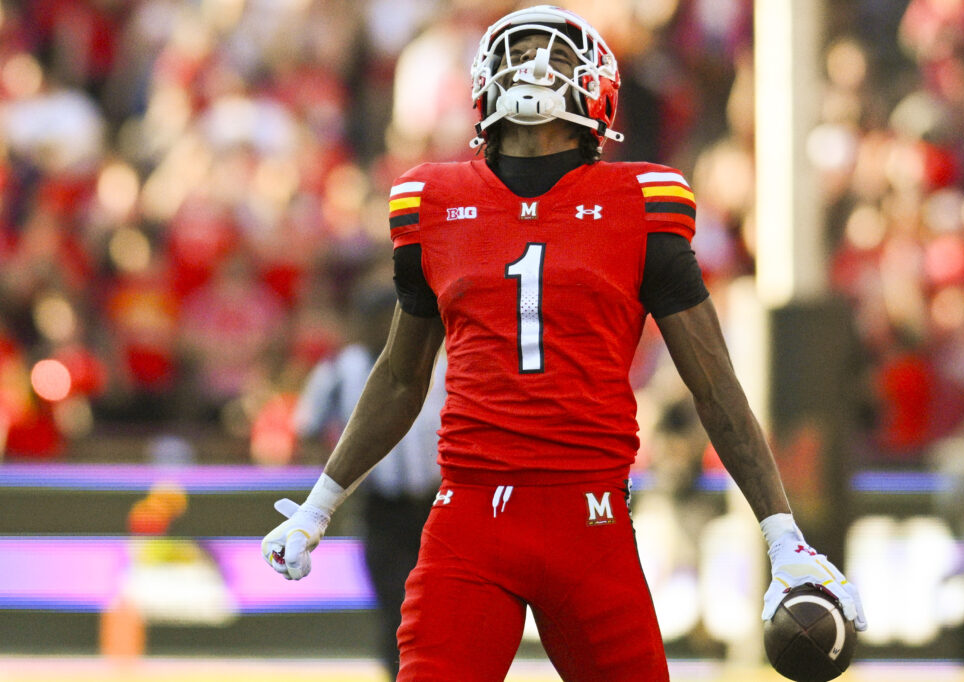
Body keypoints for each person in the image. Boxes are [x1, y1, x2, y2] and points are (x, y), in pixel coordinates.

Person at [262, 6, 867, 680]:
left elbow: (713, 385)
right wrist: (318, 506)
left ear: (598, 89)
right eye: (519, 55)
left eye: (551, 58)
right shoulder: (431, 202)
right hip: (470, 520)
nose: (533, 69)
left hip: (591, 521)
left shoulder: (641, 201)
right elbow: (401, 377)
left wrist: (782, 534)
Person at [292, 279, 445, 681]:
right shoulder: (341, 368)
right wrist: (332, 479)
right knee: (393, 602)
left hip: (435, 502)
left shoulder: (441, 361)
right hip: (380, 505)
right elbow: (308, 426)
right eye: (374, 318)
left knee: (439, 604)